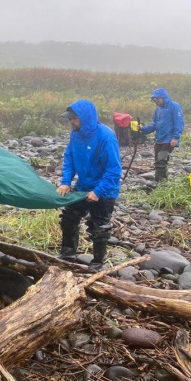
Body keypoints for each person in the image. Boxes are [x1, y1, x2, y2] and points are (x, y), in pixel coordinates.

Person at [56, 100, 122, 271]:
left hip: (104, 190)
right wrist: (65, 182)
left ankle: (98, 263)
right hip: (83, 186)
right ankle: (68, 254)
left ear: (85, 118)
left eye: (74, 119)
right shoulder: (75, 134)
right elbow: (69, 157)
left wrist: (98, 191)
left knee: (99, 227)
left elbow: (114, 170)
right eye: (69, 120)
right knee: (69, 217)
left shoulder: (106, 137)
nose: (71, 123)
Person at [140, 88, 185, 183]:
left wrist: (175, 137)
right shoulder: (158, 110)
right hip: (159, 139)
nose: (156, 102)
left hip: (169, 139)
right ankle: (161, 182)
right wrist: (143, 129)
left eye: (157, 99)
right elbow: (155, 124)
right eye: (154, 100)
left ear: (163, 97)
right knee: (158, 162)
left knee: (161, 161)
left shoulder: (174, 106)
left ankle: (160, 182)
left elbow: (179, 122)